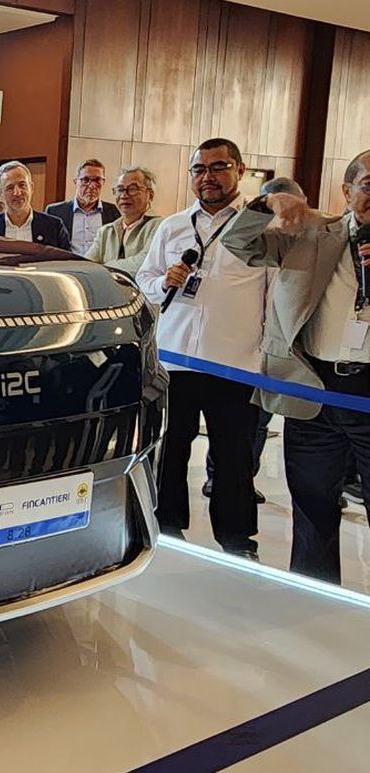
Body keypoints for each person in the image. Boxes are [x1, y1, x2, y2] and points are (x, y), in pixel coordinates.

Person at [222, 149, 370, 584]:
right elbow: (239, 243)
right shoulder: (310, 232)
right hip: (312, 388)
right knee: (312, 504)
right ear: (347, 191)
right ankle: (313, 590)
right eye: (369, 185)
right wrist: (266, 203)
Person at [135, 137, 267, 559]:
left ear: (239, 170)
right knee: (171, 448)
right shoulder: (172, 226)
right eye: (199, 169)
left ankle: (237, 541)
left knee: (233, 457)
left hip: (235, 363)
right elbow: (144, 280)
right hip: (176, 360)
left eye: (218, 167)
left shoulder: (260, 227)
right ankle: (168, 528)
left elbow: (275, 293)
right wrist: (163, 281)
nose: (208, 177)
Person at [202, 177, 308, 503]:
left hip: (291, 348)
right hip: (247, 348)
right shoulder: (259, 238)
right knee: (244, 421)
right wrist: (263, 209)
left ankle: (246, 477)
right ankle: (219, 476)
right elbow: (237, 242)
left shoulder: (314, 236)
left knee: (262, 423)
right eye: (277, 205)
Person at [84, 165, 163, 276]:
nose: (124, 196)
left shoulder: (161, 226)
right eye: (120, 190)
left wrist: (102, 268)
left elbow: (145, 262)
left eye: (133, 189)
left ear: (150, 195)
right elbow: (86, 265)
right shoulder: (106, 231)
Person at [0, 161, 71, 249]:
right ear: (1, 194)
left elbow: (68, 260)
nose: (17, 193)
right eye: (10, 188)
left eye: (22, 185)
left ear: (31, 188)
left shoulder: (53, 227)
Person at [46, 159, 120, 256]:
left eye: (97, 180)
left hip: (100, 265)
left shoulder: (113, 212)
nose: (92, 185)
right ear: (75, 182)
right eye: (86, 180)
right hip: (67, 264)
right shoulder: (55, 212)